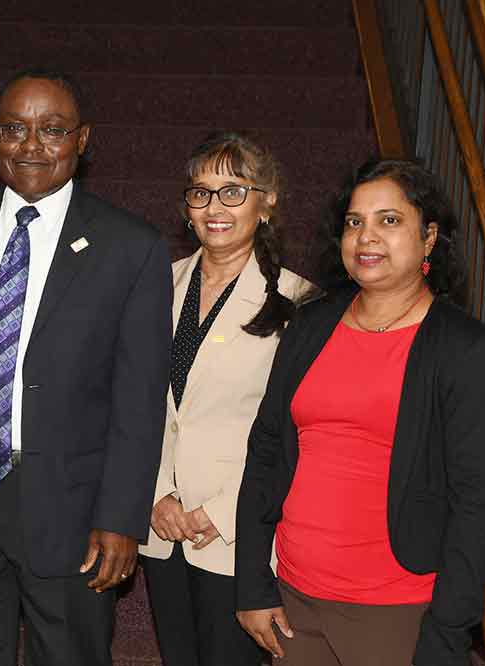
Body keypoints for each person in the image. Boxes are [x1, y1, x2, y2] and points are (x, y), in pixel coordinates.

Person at [0, 67, 173, 666]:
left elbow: (138, 401)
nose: (31, 146)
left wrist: (121, 515)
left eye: (52, 130)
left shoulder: (132, 248)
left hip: (72, 508)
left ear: (83, 139)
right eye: (13, 129)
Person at [235, 159, 485, 666]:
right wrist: (252, 584)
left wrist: (447, 632)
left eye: (389, 220)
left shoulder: (462, 348)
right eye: (355, 222)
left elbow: (475, 502)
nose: (367, 237)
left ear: (430, 236)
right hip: (294, 601)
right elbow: (265, 452)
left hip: (397, 612)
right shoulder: (309, 324)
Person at [138, 132, 311, 666]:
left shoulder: (299, 301)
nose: (215, 208)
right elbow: (133, 403)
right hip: (161, 523)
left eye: (233, 191)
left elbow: (295, 429)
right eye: (201, 192)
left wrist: (220, 510)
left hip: (238, 532)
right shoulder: (153, 285)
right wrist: (154, 493)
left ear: (267, 201)